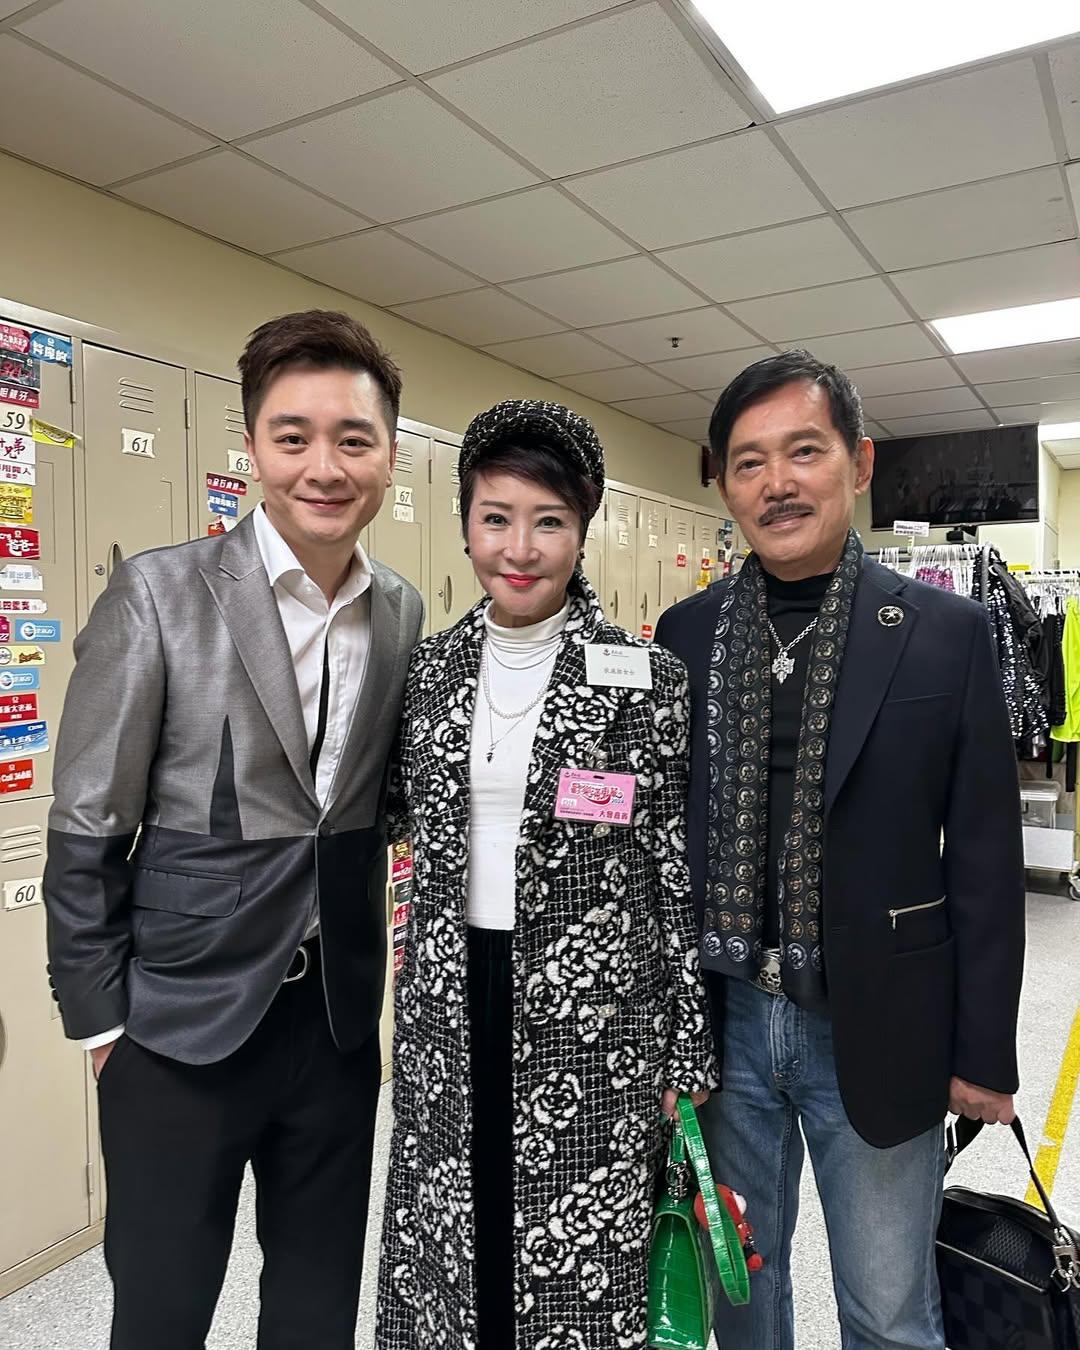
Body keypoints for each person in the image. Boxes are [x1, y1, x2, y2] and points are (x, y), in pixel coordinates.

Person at [43, 309, 424, 1350]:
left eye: (354, 439)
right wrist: (102, 1027)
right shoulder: (159, 594)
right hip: (178, 1024)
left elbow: (378, 801)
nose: (324, 467)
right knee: (162, 1311)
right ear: (253, 445)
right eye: (293, 436)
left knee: (315, 1308)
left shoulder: (399, 609)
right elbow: (87, 820)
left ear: (389, 454)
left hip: (335, 1026)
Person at [654, 350, 1025, 1350]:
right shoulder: (685, 636)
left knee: (888, 1309)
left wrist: (983, 1052)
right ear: (724, 483)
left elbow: (984, 856)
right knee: (740, 1297)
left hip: (881, 1019)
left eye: (804, 452)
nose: (777, 483)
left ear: (858, 464)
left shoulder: (946, 633)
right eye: (749, 462)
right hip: (725, 1021)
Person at [376, 399, 716, 1350]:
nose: (519, 549)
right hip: (452, 998)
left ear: (583, 528)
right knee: (457, 1226)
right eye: (496, 518)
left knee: (578, 1257)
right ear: (466, 523)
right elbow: (397, 824)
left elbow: (669, 870)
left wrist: (684, 1048)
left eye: (549, 521)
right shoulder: (429, 672)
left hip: (597, 1019)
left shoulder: (645, 678)